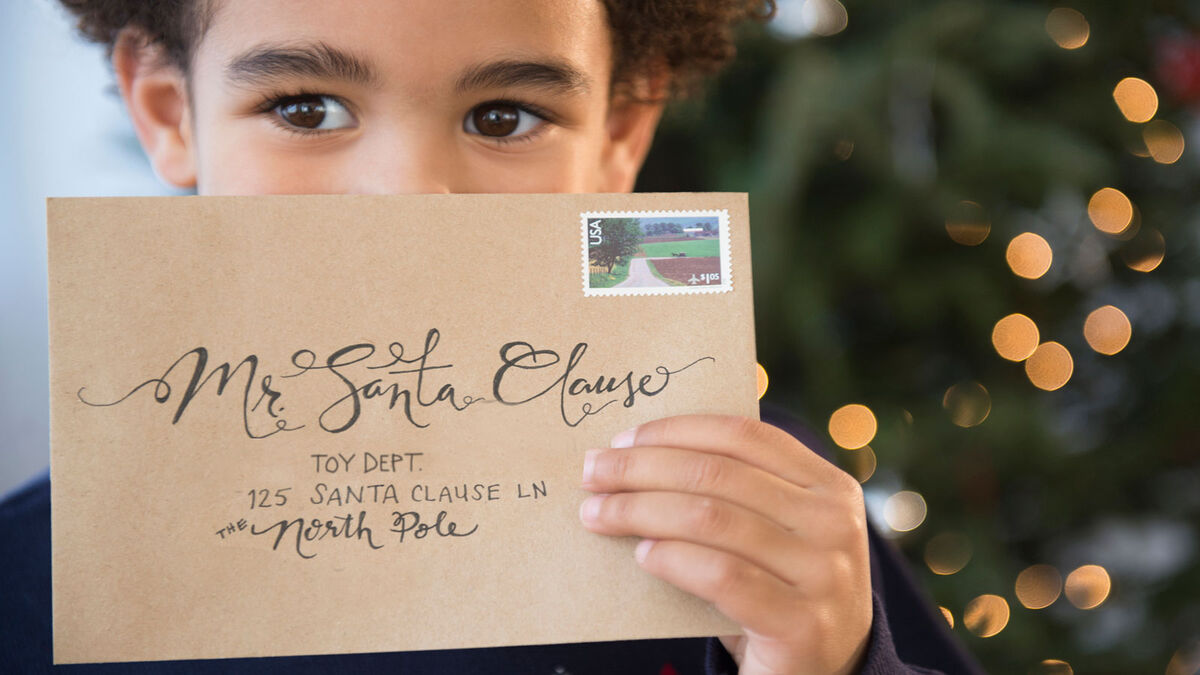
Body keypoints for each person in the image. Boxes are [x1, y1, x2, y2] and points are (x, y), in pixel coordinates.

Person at [1, 1, 981, 673]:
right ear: (171, 112)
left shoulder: (756, 519)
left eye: (504, 114)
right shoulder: (34, 586)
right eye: (305, 108)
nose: (408, 196)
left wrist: (836, 660)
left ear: (619, 138)